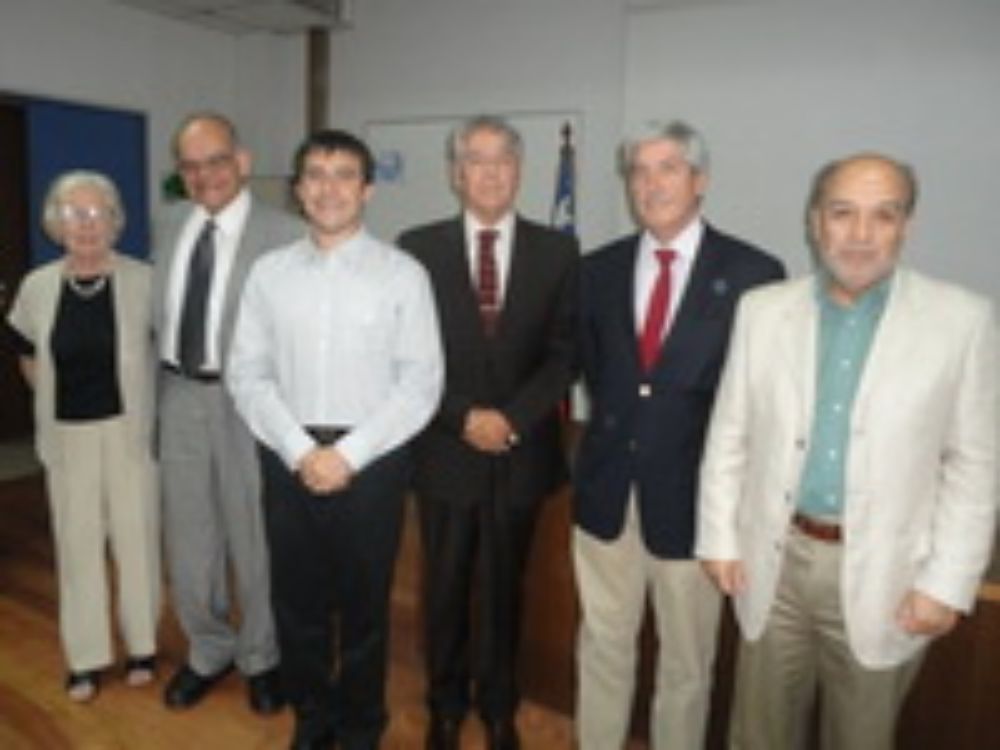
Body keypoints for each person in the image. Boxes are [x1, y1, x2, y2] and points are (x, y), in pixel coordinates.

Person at [696, 153, 998, 749]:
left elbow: (976, 464)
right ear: (815, 222)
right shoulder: (762, 311)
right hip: (773, 563)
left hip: (889, 575)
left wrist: (947, 583)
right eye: (843, 213)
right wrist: (720, 538)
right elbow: (731, 432)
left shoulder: (963, 321)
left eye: (883, 216)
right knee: (758, 735)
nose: (861, 235)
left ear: (905, 226)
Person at [227, 128, 444, 750]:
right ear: (298, 190)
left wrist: (346, 455)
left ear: (367, 189)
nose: (329, 189)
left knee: (365, 608)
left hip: (372, 461)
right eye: (315, 175)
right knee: (296, 606)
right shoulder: (269, 275)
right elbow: (247, 373)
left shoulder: (403, 275)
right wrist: (301, 451)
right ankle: (313, 717)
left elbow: (420, 383)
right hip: (286, 453)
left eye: (344, 174)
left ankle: (359, 725)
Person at [574, 120, 785, 750]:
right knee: (602, 647)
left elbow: (762, 400)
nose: (652, 183)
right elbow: (594, 372)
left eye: (668, 168)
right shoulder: (597, 270)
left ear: (700, 179)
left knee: (687, 665)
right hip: (607, 494)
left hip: (699, 508)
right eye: (640, 171)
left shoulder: (753, 274)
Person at [398, 115, 578, 750]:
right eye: (476, 159)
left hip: (523, 452)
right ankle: (444, 706)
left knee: (506, 590)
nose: (491, 171)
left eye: (503, 159)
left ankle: (500, 706)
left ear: (520, 171)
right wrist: (463, 416)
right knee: (444, 590)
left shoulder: (558, 251)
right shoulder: (416, 249)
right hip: (445, 451)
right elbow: (406, 357)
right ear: (456, 173)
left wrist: (512, 418)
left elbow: (563, 354)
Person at [151, 112, 299, 713]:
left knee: (254, 537)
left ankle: (261, 656)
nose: (205, 175)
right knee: (189, 541)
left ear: (242, 160)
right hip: (180, 394)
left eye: (216, 160)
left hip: (251, 402)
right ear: (180, 174)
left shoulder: (286, 233)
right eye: (191, 165)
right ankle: (208, 650)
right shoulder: (168, 223)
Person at [6, 171, 160, 702]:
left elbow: (168, 355)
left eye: (97, 214)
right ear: (56, 223)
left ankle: (143, 644)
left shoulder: (145, 280)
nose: (86, 225)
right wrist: (48, 393)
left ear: (115, 221)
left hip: (127, 433)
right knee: (77, 548)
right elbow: (24, 350)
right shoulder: (37, 286)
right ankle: (87, 658)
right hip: (67, 436)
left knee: (137, 541)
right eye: (74, 214)